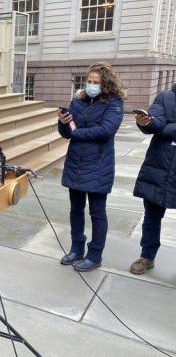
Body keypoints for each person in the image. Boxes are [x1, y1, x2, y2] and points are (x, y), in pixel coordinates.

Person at [58, 62, 126, 272]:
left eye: (96, 82)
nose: (91, 85)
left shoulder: (114, 103)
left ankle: (95, 254)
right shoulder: (78, 101)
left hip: (98, 165)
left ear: (105, 84)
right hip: (76, 163)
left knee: (97, 213)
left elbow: (106, 131)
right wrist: (63, 122)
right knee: (75, 209)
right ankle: (76, 248)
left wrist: (77, 133)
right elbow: (67, 132)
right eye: (89, 81)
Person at [129, 85, 176, 275]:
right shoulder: (165, 97)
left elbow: (165, 128)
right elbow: (157, 124)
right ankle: (147, 256)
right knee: (152, 216)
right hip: (160, 165)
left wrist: (168, 127)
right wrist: (146, 122)